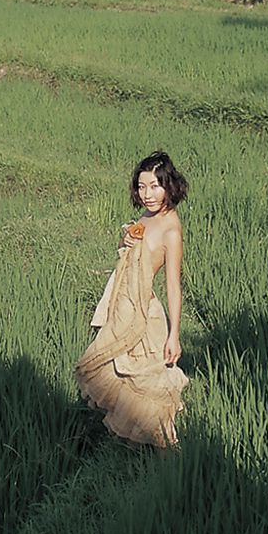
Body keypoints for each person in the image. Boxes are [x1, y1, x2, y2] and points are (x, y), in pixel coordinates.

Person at [75, 151, 188, 448]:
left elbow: (173, 285)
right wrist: (125, 240)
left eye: (154, 186)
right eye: (141, 186)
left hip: (143, 313)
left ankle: (168, 453)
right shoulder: (146, 216)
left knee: (147, 384)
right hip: (122, 307)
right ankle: (131, 448)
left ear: (168, 185)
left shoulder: (171, 230)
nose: (147, 194)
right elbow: (130, 257)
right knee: (119, 376)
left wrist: (174, 335)